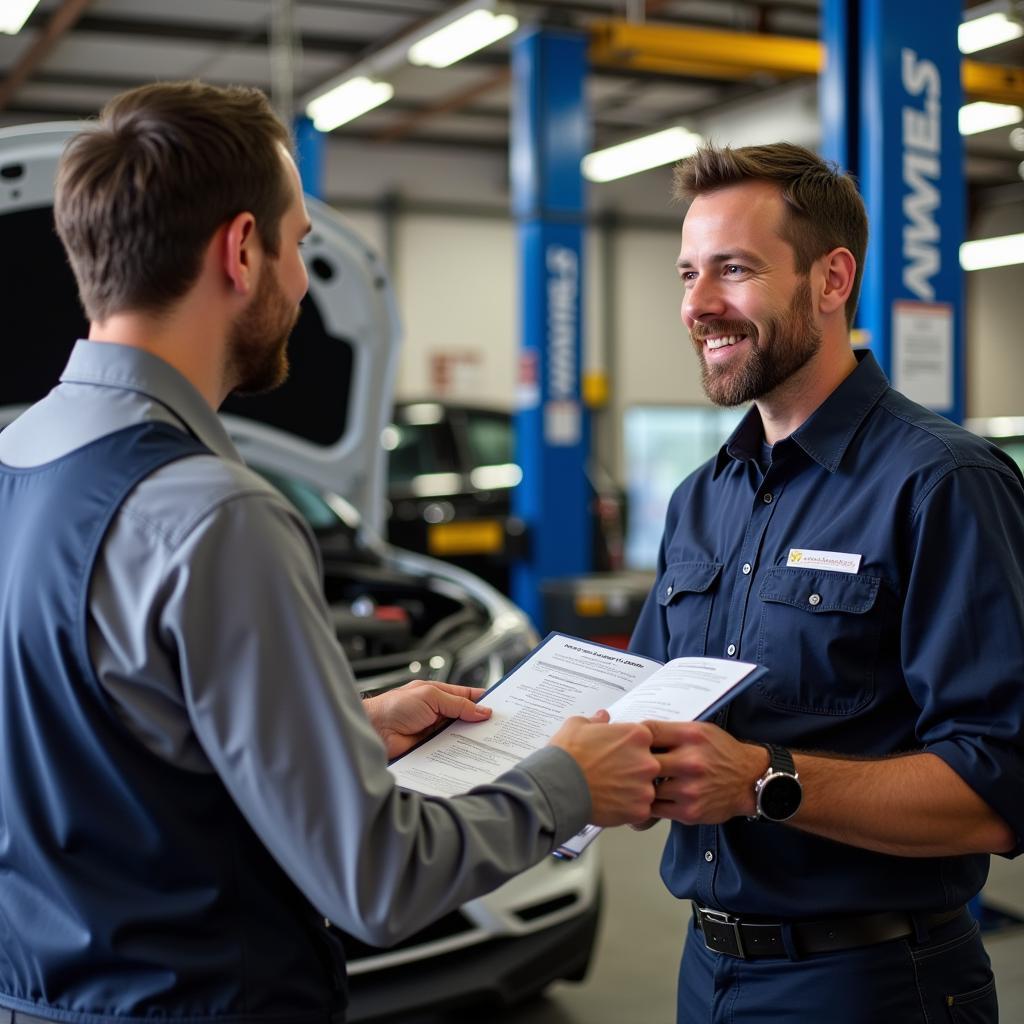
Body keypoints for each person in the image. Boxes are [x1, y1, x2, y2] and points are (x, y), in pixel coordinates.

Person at [0, 81, 661, 1024]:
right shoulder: (216, 514)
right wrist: (570, 781)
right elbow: (376, 879)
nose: (304, 280)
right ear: (240, 250)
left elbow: (96, 735)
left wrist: (339, 722)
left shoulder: (16, 466)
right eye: (300, 242)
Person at [628, 142, 1024, 1023]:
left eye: (733, 270)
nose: (698, 305)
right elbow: (644, 709)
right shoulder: (702, 499)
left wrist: (763, 778)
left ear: (831, 278)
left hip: (876, 984)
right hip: (708, 970)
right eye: (688, 273)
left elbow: (1000, 786)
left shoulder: (941, 484)